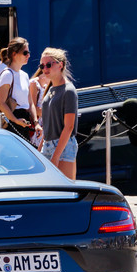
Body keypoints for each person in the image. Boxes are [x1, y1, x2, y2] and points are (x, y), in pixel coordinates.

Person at [40, 47, 79, 180]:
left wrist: (56, 156)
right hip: (47, 144)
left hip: (63, 145)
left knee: (65, 190)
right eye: (42, 65)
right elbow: (47, 123)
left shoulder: (68, 90)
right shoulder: (50, 89)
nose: (45, 68)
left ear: (60, 65)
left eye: (49, 64)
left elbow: (69, 127)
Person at [0, 37, 40, 142]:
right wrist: (15, 120)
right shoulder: (7, 74)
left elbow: (30, 103)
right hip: (12, 121)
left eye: (28, 52)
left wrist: (36, 122)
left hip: (24, 121)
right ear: (14, 54)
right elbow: (0, 102)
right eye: (25, 53)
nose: (28, 55)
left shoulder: (24, 75)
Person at [29, 67, 49, 149]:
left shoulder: (46, 85)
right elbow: (32, 108)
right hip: (36, 125)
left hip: (45, 123)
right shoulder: (34, 84)